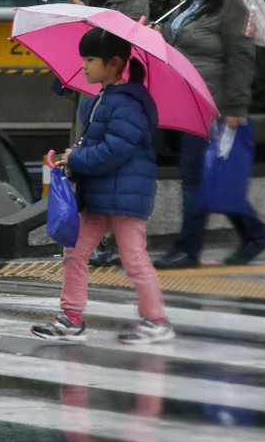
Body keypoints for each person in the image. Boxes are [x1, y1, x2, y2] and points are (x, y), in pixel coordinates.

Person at [31, 28, 174, 344]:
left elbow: (115, 150)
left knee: (134, 259)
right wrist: (77, 156)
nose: (84, 65)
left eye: (91, 59)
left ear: (114, 63)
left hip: (124, 196)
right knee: (75, 251)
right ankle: (71, 317)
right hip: (99, 194)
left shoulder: (127, 103)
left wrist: (78, 158)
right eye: (83, 58)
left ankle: (155, 320)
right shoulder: (104, 99)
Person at [153, 0, 265, 269]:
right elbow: (181, 46)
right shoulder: (188, 6)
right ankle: (256, 233)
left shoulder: (231, 6)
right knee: (209, 178)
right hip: (182, 102)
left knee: (194, 178)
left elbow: (241, 58)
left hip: (211, 105)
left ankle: (187, 248)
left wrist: (235, 106)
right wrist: (159, 34)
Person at [67, 0, 150, 267]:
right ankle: (91, 237)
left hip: (115, 87)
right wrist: (74, 11)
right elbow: (75, 43)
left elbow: (124, 44)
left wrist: (86, 14)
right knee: (83, 153)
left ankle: (113, 239)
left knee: (107, 159)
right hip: (86, 87)